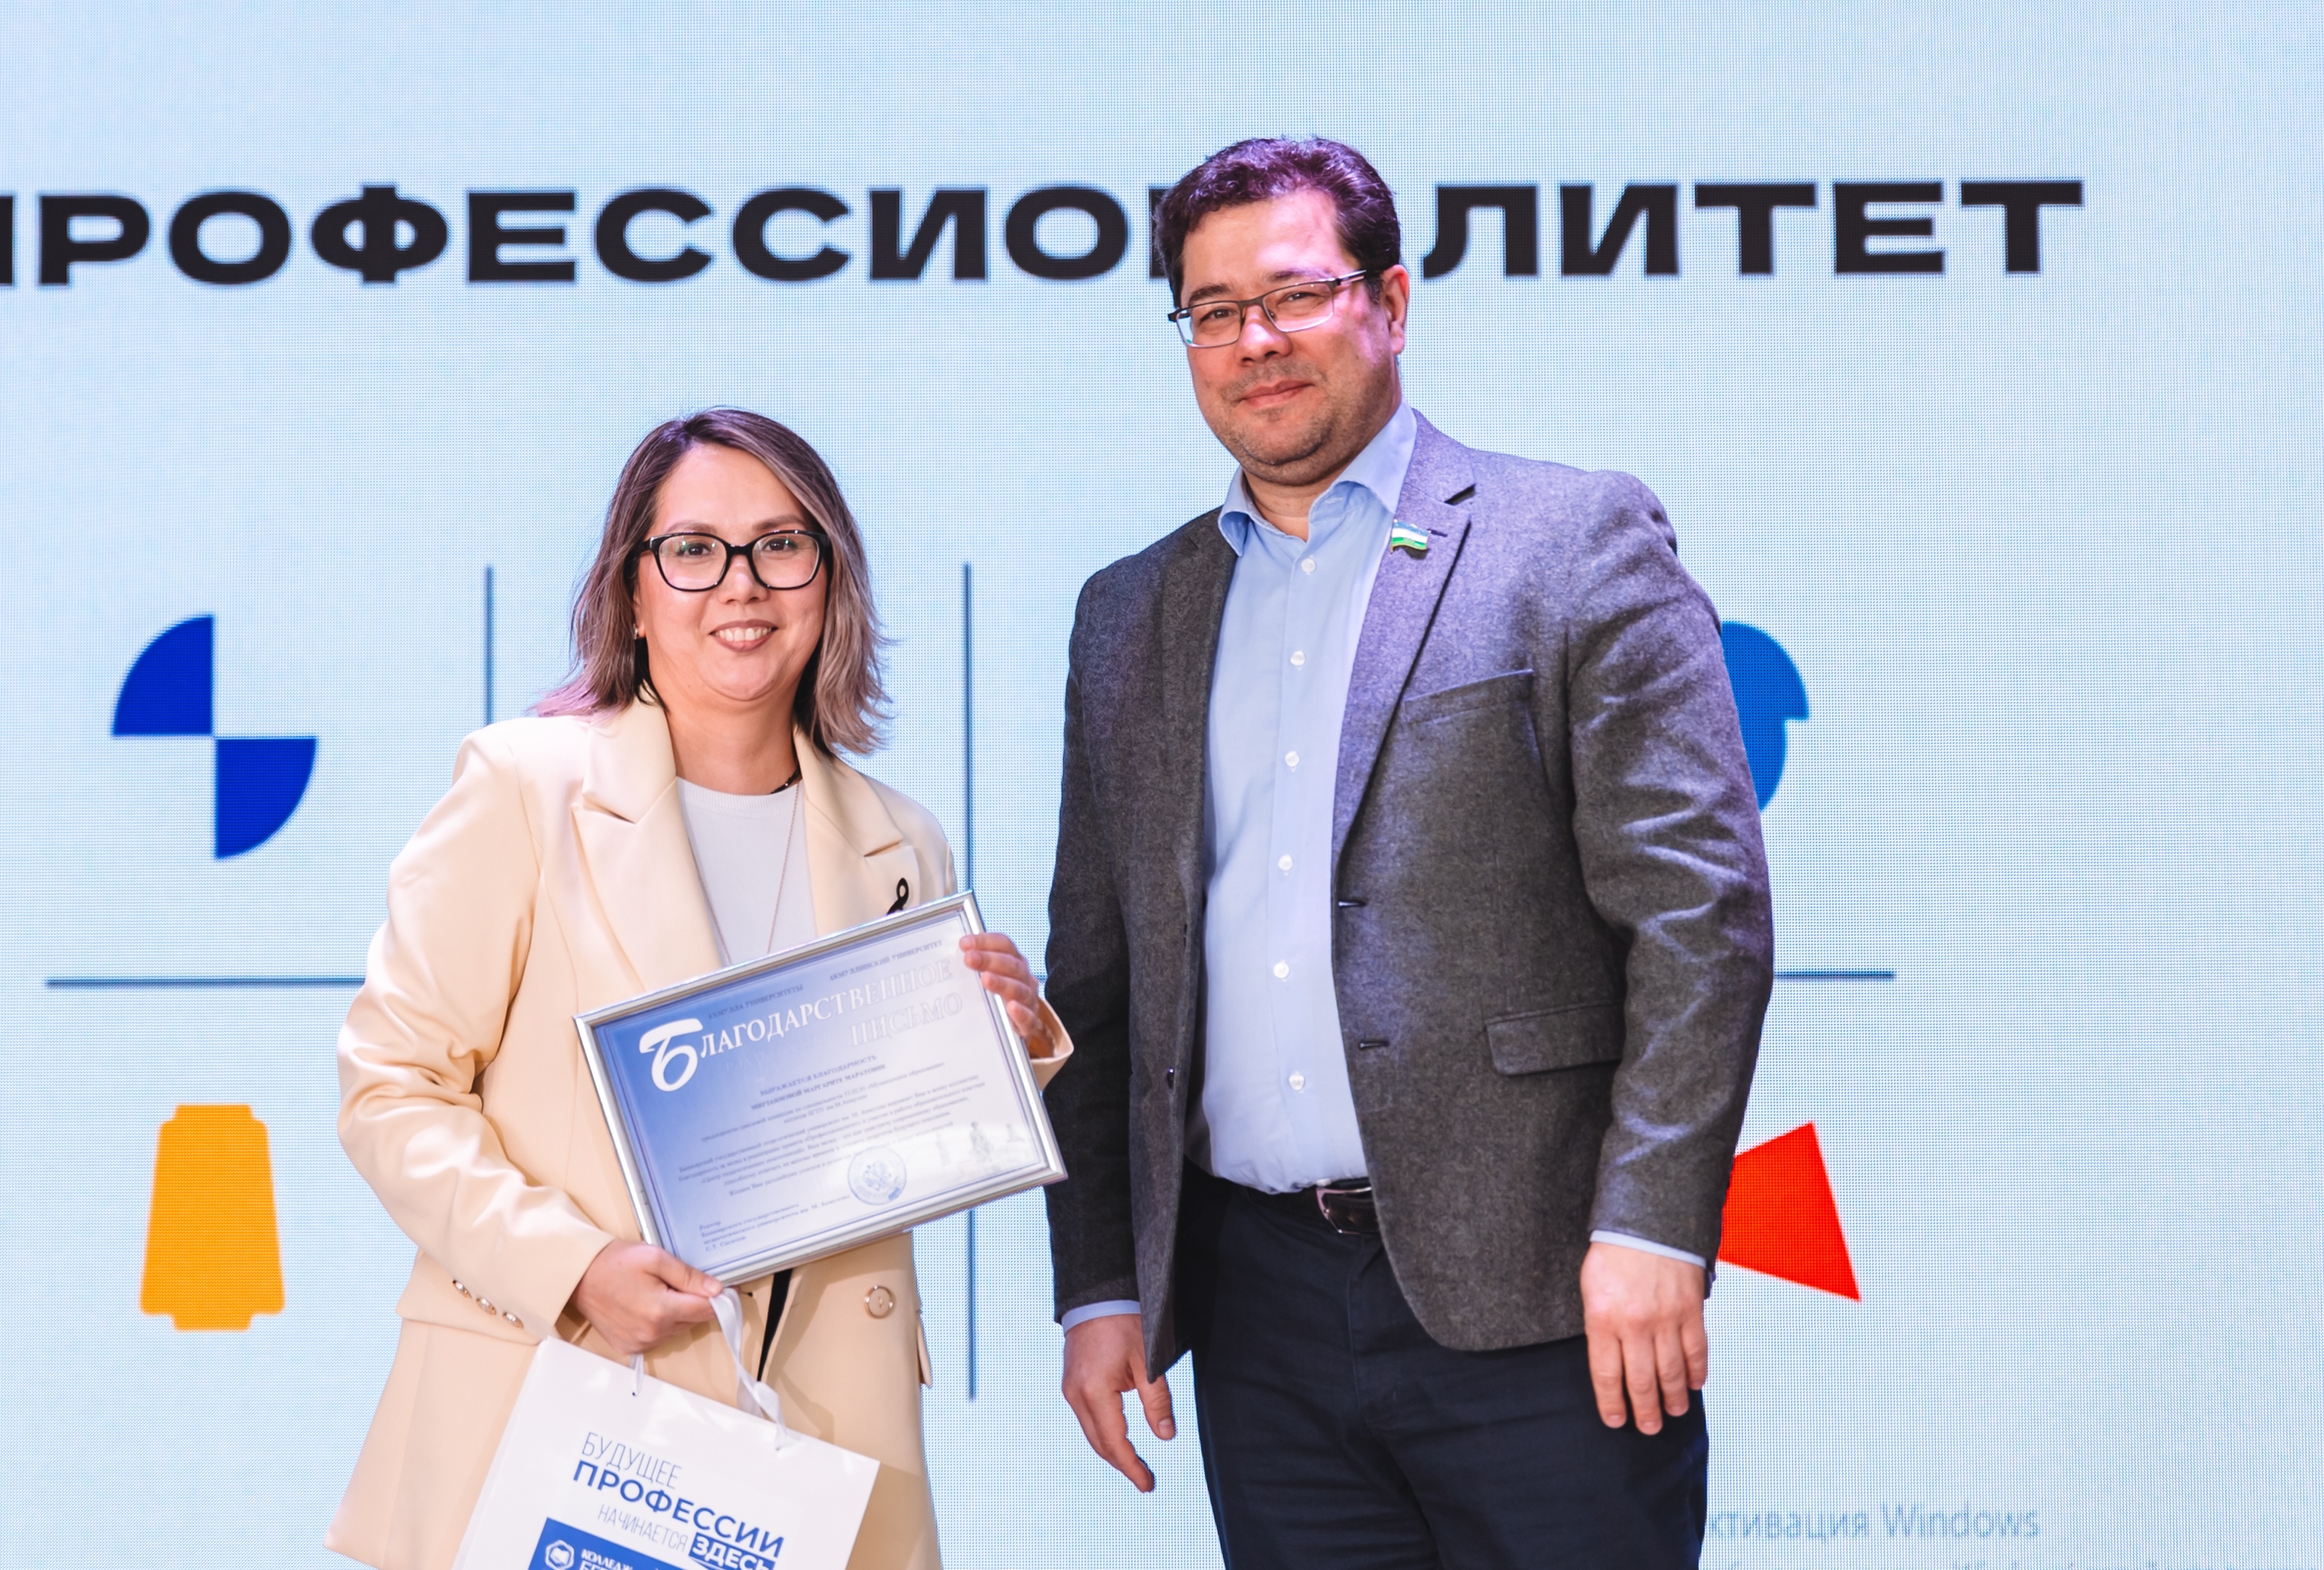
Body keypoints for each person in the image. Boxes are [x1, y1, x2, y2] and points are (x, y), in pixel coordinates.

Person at [1041, 138, 1772, 1569]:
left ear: (1388, 299)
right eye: (1212, 310)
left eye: (1293, 294)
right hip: (1256, 1316)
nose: (1255, 340)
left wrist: (1655, 1226)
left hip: (1547, 1295)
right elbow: (1100, 977)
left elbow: (1700, 918)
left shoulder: (1570, 542)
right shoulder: (1128, 611)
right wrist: (1100, 1283)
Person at [327, 408, 1069, 1570]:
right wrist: (572, 1269)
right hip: (563, 1406)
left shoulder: (902, 841)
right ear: (631, 592)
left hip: (818, 1433)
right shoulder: (523, 787)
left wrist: (1001, 1047)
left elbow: (871, 1148)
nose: (742, 584)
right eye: (693, 549)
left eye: (781, 545)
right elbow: (392, 1091)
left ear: (830, 580)